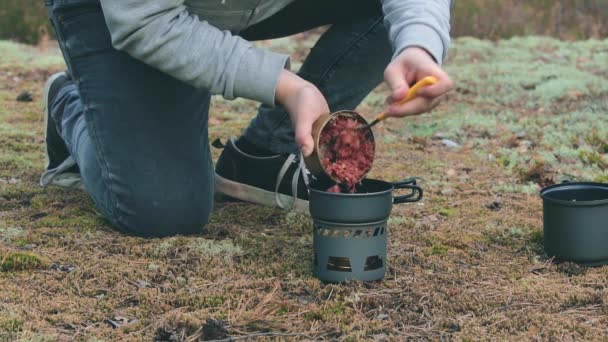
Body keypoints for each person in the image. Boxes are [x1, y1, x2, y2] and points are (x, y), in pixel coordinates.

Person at [42, 0, 453, 237]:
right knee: (162, 209)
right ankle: (73, 104)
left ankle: (265, 157)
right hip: (131, 12)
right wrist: (287, 87)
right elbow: (144, 21)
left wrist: (419, 42)